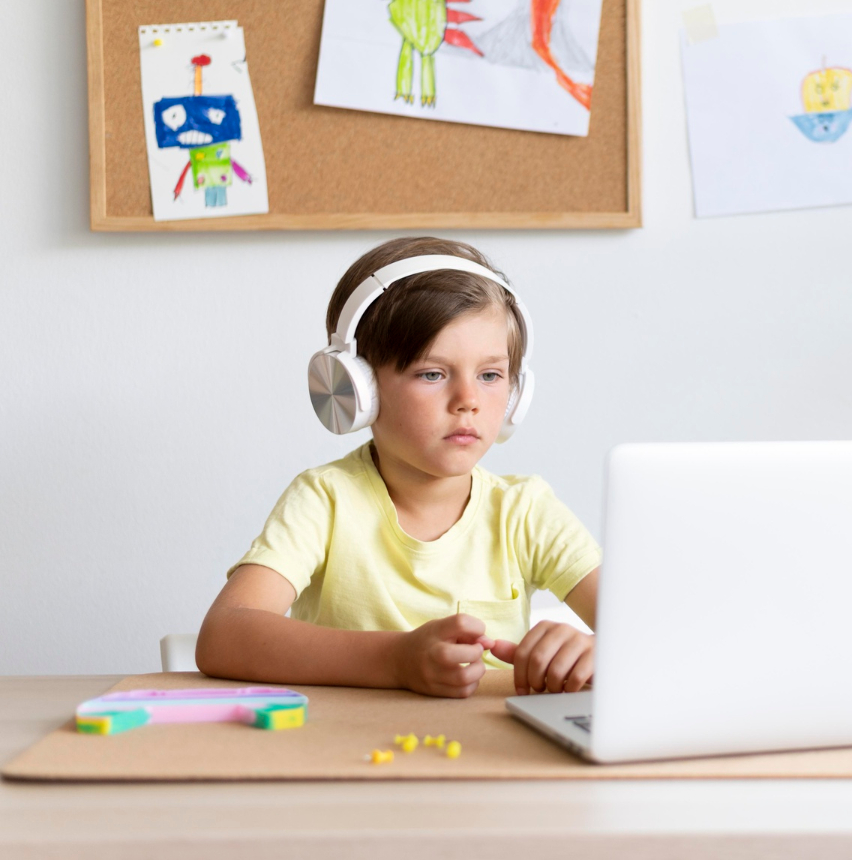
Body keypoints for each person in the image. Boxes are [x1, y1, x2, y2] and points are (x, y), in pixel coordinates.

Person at [196, 237, 600, 698]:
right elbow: (223, 635)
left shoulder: (526, 512)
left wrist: (598, 652)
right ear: (357, 391)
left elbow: (652, 633)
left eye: (490, 375)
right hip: (352, 740)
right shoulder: (325, 500)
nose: (468, 400)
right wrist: (396, 660)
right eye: (432, 374)